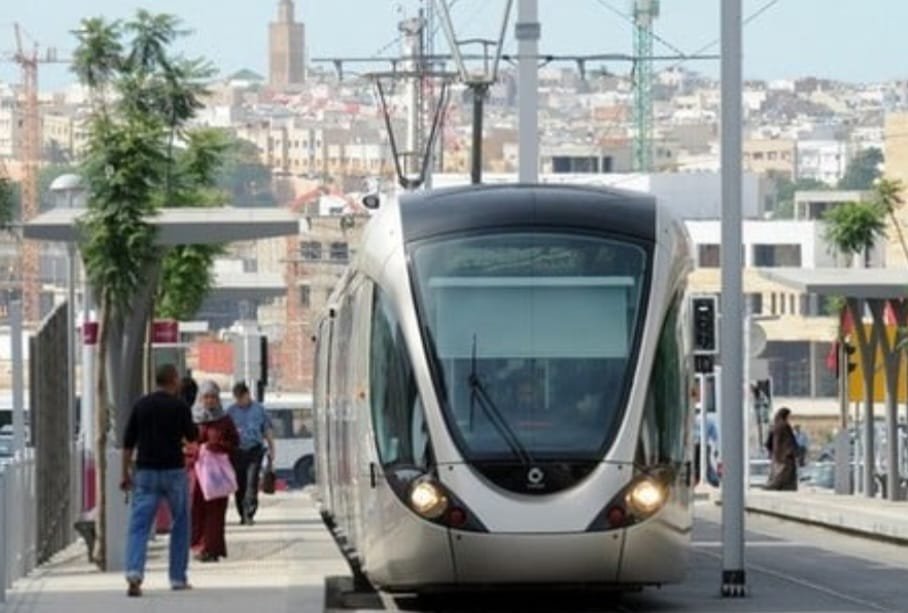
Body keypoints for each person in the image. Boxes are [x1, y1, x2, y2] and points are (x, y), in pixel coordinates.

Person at [121, 364, 198, 597]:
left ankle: (134, 572)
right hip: (174, 470)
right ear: (173, 380)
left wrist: (125, 473)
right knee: (181, 523)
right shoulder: (179, 406)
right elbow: (192, 436)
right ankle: (177, 578)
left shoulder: (141, 405)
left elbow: (128, 442)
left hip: (145, 472)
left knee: (139, 526)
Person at [186, 380, 240, 562]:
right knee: (197, 510)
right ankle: (200, 546)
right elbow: (184, 442)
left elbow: (235, 443)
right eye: (206, 397)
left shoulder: (225, 420)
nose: (209, 401)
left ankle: (212, 548)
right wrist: (196, 450)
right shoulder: (192, 419)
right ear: (200, 398)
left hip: (217, 475)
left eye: (213, 397)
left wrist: (217, 447)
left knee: (216, 512)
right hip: (197, 474)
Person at [227, 382, 275, 525]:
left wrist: (272, 449)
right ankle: (242, 513)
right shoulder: (230, 411)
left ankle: (249, 513)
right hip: (237, 452)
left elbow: (267, 430)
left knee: (251, 482)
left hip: (254, 450)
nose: (240, 401)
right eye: (237, 398)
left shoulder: (259, 410)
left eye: (242, 398)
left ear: (248, 394)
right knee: (239, 484)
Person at [765, 407, 798, 491]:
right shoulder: (785, 426)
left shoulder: (774, 426)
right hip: (785, 456)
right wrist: (792, 451)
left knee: (776, 472)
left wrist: (772, 451)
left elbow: (768, 442)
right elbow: (790, 441)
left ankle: (773, 485)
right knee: (785, 474)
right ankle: (778, 486)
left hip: (776, 456)